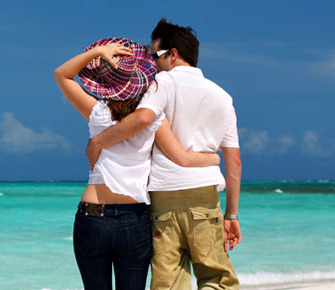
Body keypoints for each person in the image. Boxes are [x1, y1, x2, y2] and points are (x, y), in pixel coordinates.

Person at [85, 19, 242, 289]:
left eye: (153, 55)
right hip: (204, 195)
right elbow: (234, 161)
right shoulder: (223, 97)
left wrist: (99, 140)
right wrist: (231, 216)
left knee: (168, 282)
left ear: (173, 55)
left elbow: (143, 118)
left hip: (163, 196)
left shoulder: (161, 83)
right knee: (216, 277)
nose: (151, 63)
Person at [54, 37, 220, 289]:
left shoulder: (97, 112)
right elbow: (182, 158)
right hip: (134, 218)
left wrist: (98, 52)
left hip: (93, 214)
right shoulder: (153, 118)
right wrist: (213, 157)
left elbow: (62, 75)